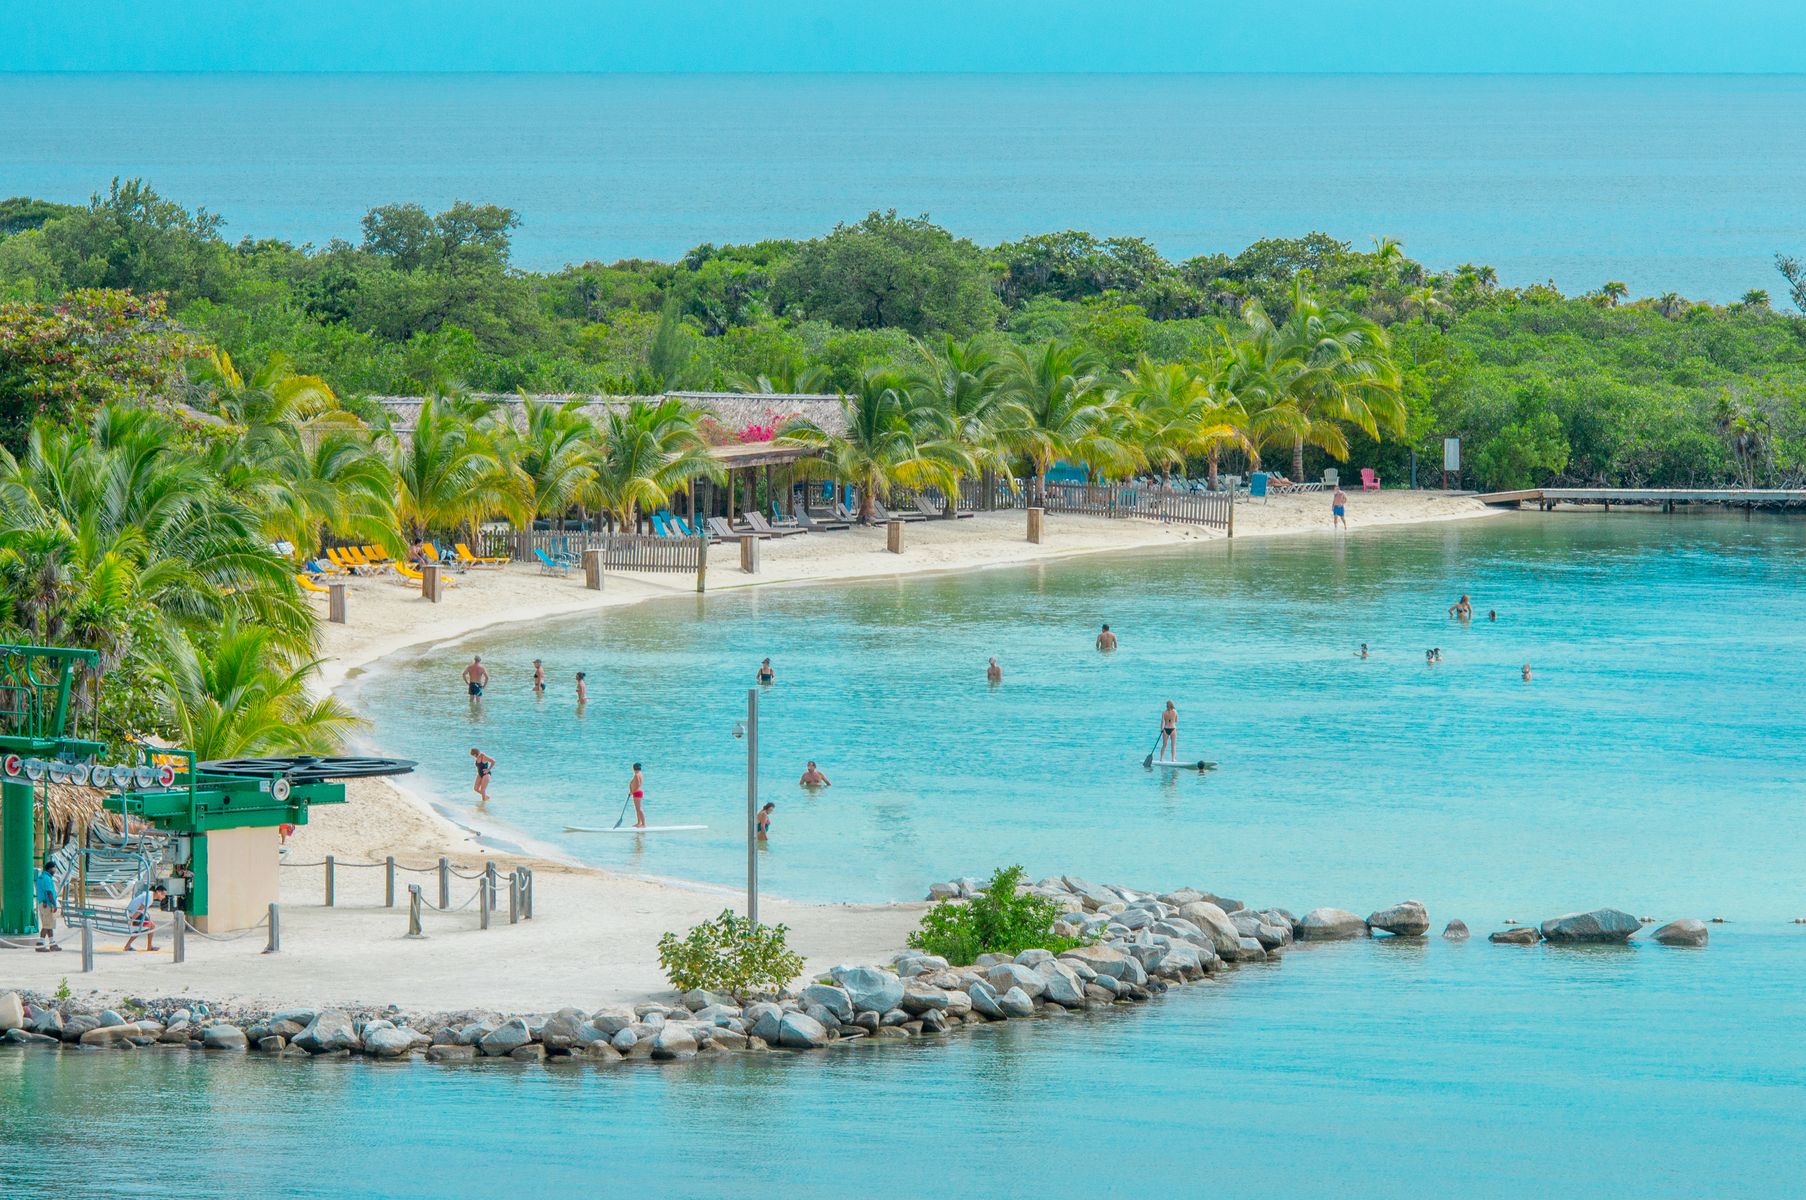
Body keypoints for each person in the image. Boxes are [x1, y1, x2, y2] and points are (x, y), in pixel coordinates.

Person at [122, 881, 166, 952]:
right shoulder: (149, 898)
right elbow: (140, 910)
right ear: (158, 892)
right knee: (146, 927)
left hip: (131, 912)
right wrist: (132, 920)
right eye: (163, 894)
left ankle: (148, 946)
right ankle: (146, 947)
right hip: (133, 914)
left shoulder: (150, 894)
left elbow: (141, 910)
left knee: (149, 925)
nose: (164, 897)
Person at [34, 859, 60, 952]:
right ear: (50, 869)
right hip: (47, 904)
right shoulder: (47, 878)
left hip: (42, 903)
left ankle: (52, 944)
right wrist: (54, 904)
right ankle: (40, 944)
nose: (55, 870)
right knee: (47, 925)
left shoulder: (41, 877)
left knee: (49, 924)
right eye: (54, 868)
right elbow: (49, 892)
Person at [629, 763, 646, 828]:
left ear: (634, 768)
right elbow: (633, 783)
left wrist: (632, 792)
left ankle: (643, 824)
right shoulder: (639, 774)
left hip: (637, 793)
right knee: (637, 809)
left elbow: (638, 784)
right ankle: (639, 822)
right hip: (636, 793)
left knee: (639, 809)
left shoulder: (637, 775)